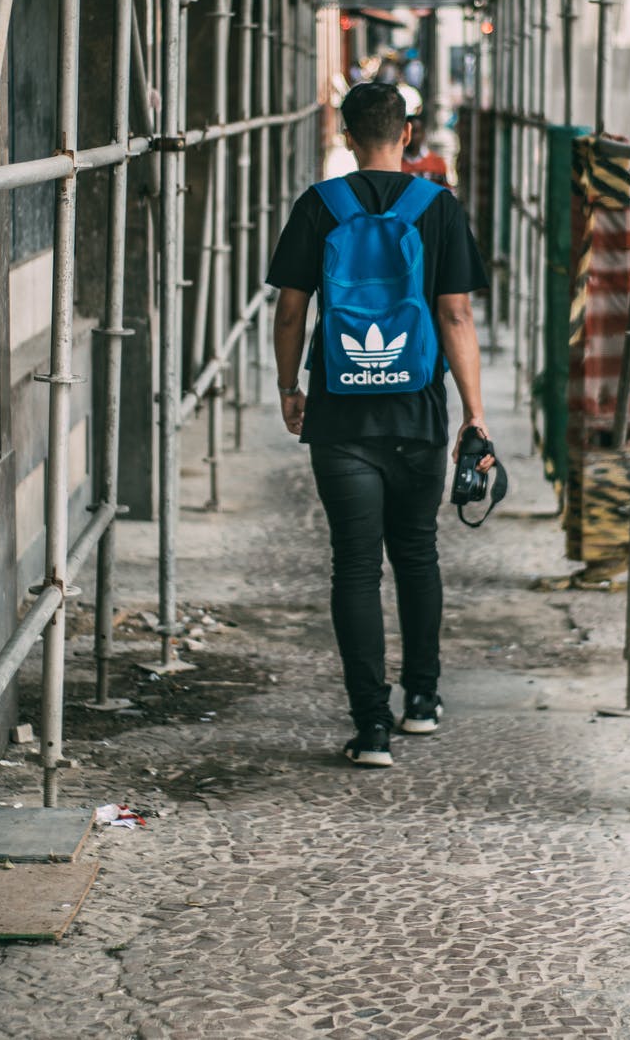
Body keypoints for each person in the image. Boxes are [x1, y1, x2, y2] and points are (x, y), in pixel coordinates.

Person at [266, 81, 493, 769]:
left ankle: (371, 730)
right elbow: (455, 316)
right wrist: (474, 416)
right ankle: (421, 702)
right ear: (409, 132)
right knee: (417, 555)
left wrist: (288, 387)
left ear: (344, 132)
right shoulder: (439, 208)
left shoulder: (319, 206)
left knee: (356, 567)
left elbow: (290, 311)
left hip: (340, 415)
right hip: (418, 414)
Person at [401, 112, 450, 187]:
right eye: (407, 132)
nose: (411, 136)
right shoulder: (395, 164)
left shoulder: (438, 163)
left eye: (415, 131)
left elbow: (444, 193)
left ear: (423, 134)